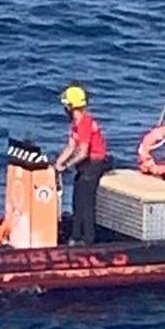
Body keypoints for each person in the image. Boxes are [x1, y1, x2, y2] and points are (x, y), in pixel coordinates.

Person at [53, 84, 110, 245]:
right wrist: (57, 163)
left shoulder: (85, 123)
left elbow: (83, 151)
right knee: (77, 199)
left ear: (70, 106)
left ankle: (88, 239)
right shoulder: (76, 124)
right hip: (84, 164)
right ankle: (76, 235)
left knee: (86, 201)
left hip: (93, 163)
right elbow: (71, 146)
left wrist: (68, 165)